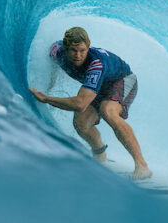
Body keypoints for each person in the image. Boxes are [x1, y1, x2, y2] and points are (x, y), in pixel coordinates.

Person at [29, 26, 153, 180]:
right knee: (81, 123)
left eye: (82, 50)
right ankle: (99, 155)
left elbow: (80, 103)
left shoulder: (96, 64)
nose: (78, 55)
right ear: (65, 48)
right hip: (101, 86)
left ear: (88, 47)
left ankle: (142, 166)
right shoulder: (56, 51)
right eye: (74, 50)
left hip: (123, 80)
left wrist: (46, 98)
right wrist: (50, 85)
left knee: (108, 110)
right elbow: (54, 67)